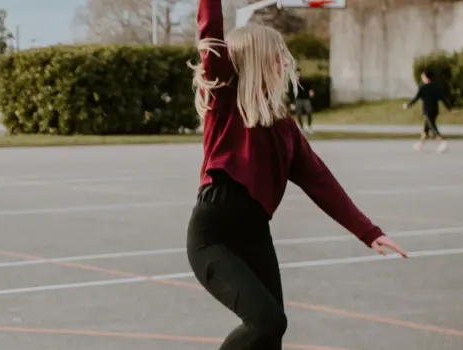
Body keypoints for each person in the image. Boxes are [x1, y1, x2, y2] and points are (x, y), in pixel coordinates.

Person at [186, 1, 408, 348]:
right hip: (215, 235)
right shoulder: (224, 101)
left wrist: (369, 232)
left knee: (272, 334)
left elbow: (322, 182)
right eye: (277, 56)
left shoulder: (285, 128)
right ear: (256, 59)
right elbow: (211, 33)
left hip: (255, 232)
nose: (285, 62)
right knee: (265, 320)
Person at [403, 71, 452, 153]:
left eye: (423, 77)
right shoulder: (436, 87)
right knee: (426, 128)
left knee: (432, 127)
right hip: (435, 110)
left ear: (426, 77)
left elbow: (416, 98)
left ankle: (443, 143)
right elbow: (443, 99)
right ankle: (420, 145)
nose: (422, 78)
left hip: (427, 111)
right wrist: (449, 108)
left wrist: (408, 105)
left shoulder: (423, 88)